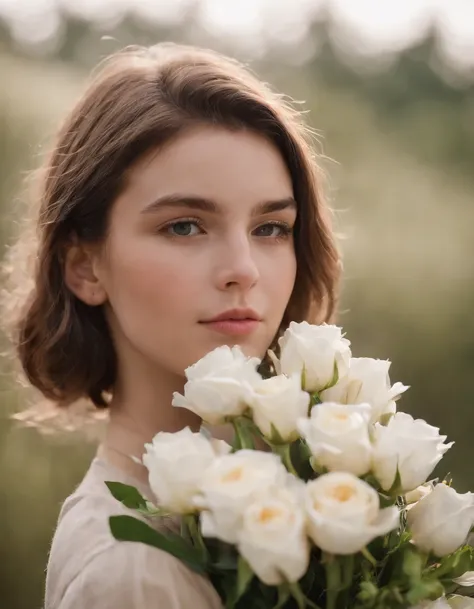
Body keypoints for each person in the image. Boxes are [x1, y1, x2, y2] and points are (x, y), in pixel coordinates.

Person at [4, 42, 341, 608]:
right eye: (185, 227)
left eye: (271, 228)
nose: (243, 269)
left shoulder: (290, 513)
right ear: (85, 266)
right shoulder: (135, 573)